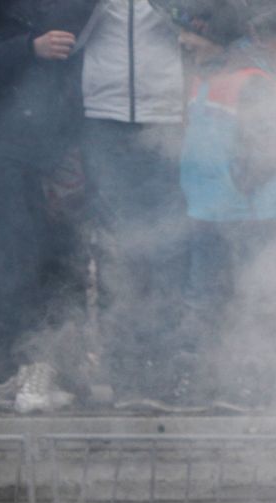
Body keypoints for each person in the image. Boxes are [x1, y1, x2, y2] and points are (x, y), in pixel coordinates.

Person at [179, 4, 276, 411]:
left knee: (253, 300)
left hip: (249, 215)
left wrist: (238, 191)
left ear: (214, 36)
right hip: (207, 214)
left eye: (190, 34)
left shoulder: (254, 82)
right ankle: (213, 383)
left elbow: (268, 150)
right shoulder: (201, 80)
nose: (183, 42)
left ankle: (255, 386)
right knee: (205, 302)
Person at [80, 0, 189, 408]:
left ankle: (159, 373)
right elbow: (65, 38)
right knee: (114, 248)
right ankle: (122, 374)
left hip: (166, 117)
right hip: (101, 117)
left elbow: (214, 22)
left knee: (166, 246)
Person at [0, 0, 93, 412]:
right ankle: (7, 370)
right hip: (6, 148)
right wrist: (29, 48)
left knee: (67, 257)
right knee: (12, 259)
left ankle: (55, 365)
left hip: (67, 143)